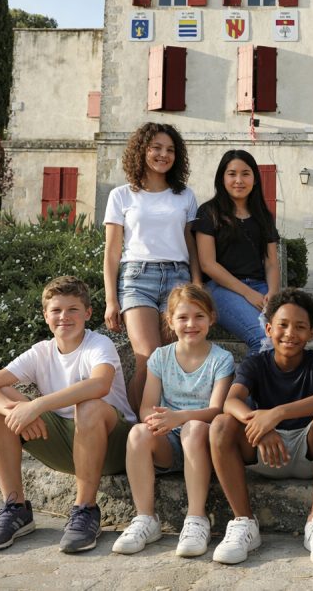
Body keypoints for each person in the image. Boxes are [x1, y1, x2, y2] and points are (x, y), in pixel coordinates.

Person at [0, 276, 136, 554]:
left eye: (73, 309)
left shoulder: (98, 344)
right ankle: (15, 508)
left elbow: (100, 385)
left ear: (88, 313)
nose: (64, 317)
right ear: (46, 316)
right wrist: (15, 411)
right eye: (56, 310)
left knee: (89, 405)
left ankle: (85, 510)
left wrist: (37, 406)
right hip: (67, 445)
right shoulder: (41, 352)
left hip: (115, 447)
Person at [209, 289, 313, 566]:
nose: (290, 333)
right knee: (221, 424)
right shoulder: (256, 363)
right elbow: (230, 401)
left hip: (308, 452)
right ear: (269, 329)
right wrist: (260, 426)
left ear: (311, 334)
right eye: (282, 325)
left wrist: (277, 414)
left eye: (300, 327)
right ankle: (244, 522)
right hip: (264, 453)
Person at [112, 284, 233, 557]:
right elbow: (146, 407)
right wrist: (158, 421)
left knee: (193, 428)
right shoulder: (160, 357)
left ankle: (196, 519)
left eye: (199, 316)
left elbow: (217, 410)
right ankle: (145, 518)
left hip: (201, 441)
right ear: (170, 321)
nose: (191, 324)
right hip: (167, 441)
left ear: (211, 318)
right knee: (138, 432)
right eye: (182, 317)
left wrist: (180, 417)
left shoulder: (221, 359)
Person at [104, 122, 200, 412]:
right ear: (141, 151)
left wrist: (197, 285)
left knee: (169, 357)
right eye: (156, 147)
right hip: (136, 279)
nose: (163, 154)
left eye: (170, 149)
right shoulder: (121, 195)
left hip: (178, 280)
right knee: (148, 355)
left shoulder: (185, 196)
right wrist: (110, 300)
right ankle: (135, 423)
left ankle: (161, 424)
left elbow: (192, 245)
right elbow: (112, 252)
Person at [194, 150, 280, 356]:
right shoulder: (209, 212)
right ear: (222, 178)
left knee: (286, 337)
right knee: (264, 339)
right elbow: (207, 264)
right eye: (232, 174)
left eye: (245, 174)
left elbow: (271, 263)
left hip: (261, 287)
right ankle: (242, 379)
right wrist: (248, 293)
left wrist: (274, 294)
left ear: (255, 179)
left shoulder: (263, 216)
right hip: (221, 289)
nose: (239, 180)